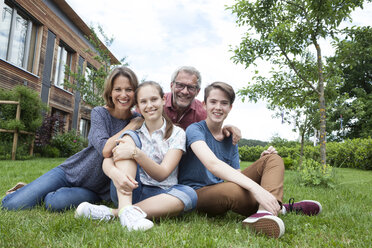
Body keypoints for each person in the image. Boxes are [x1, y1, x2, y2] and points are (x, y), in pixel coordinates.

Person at [178, 82, 322, 238]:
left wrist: (261, 167)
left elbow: (237, 175)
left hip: (223, 188)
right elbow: (212, 164)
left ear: (230, 108)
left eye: (224, 103)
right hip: (197, 193)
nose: (218, 107)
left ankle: (265, 212)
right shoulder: (195, 130)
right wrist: (257, 188)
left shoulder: (230, 138)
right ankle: (282, 208)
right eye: (213, 102)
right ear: (204, 105)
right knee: (232, 191)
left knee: (272, 158)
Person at [1, 66, 143, 212]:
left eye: (129, 89)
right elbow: (106, 150)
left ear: (135, 92)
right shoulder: (100, 113)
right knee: (10, 205)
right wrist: (132, 125)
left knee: (53, 203)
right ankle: (27, 190)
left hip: (97, 191)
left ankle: (40, 191)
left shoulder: (139, 120)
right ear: (110, 92)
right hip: (71, 172)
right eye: (118, 89)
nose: (123, 95)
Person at [75, 81, 197, 231]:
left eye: (154, 99)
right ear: (138, 106)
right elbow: (108, 161)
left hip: (162, 194)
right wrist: (115, 175)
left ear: (163, 99)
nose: (149, 105)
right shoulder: (134, 132)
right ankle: (126, 208)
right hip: (129, 189)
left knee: (190, 194)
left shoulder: (177, 133)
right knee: (128, 138)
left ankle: (115, 213)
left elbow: (163, 174)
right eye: (143, 101)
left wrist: (136, 153)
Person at [164, 66, 241, 145]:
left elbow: (214, 130)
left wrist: (226, 129)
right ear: (171, 86)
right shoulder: (156, 104)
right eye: (180, 85)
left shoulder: (203, 112)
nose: (185, 91)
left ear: (198, 91)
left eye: (191, 87)